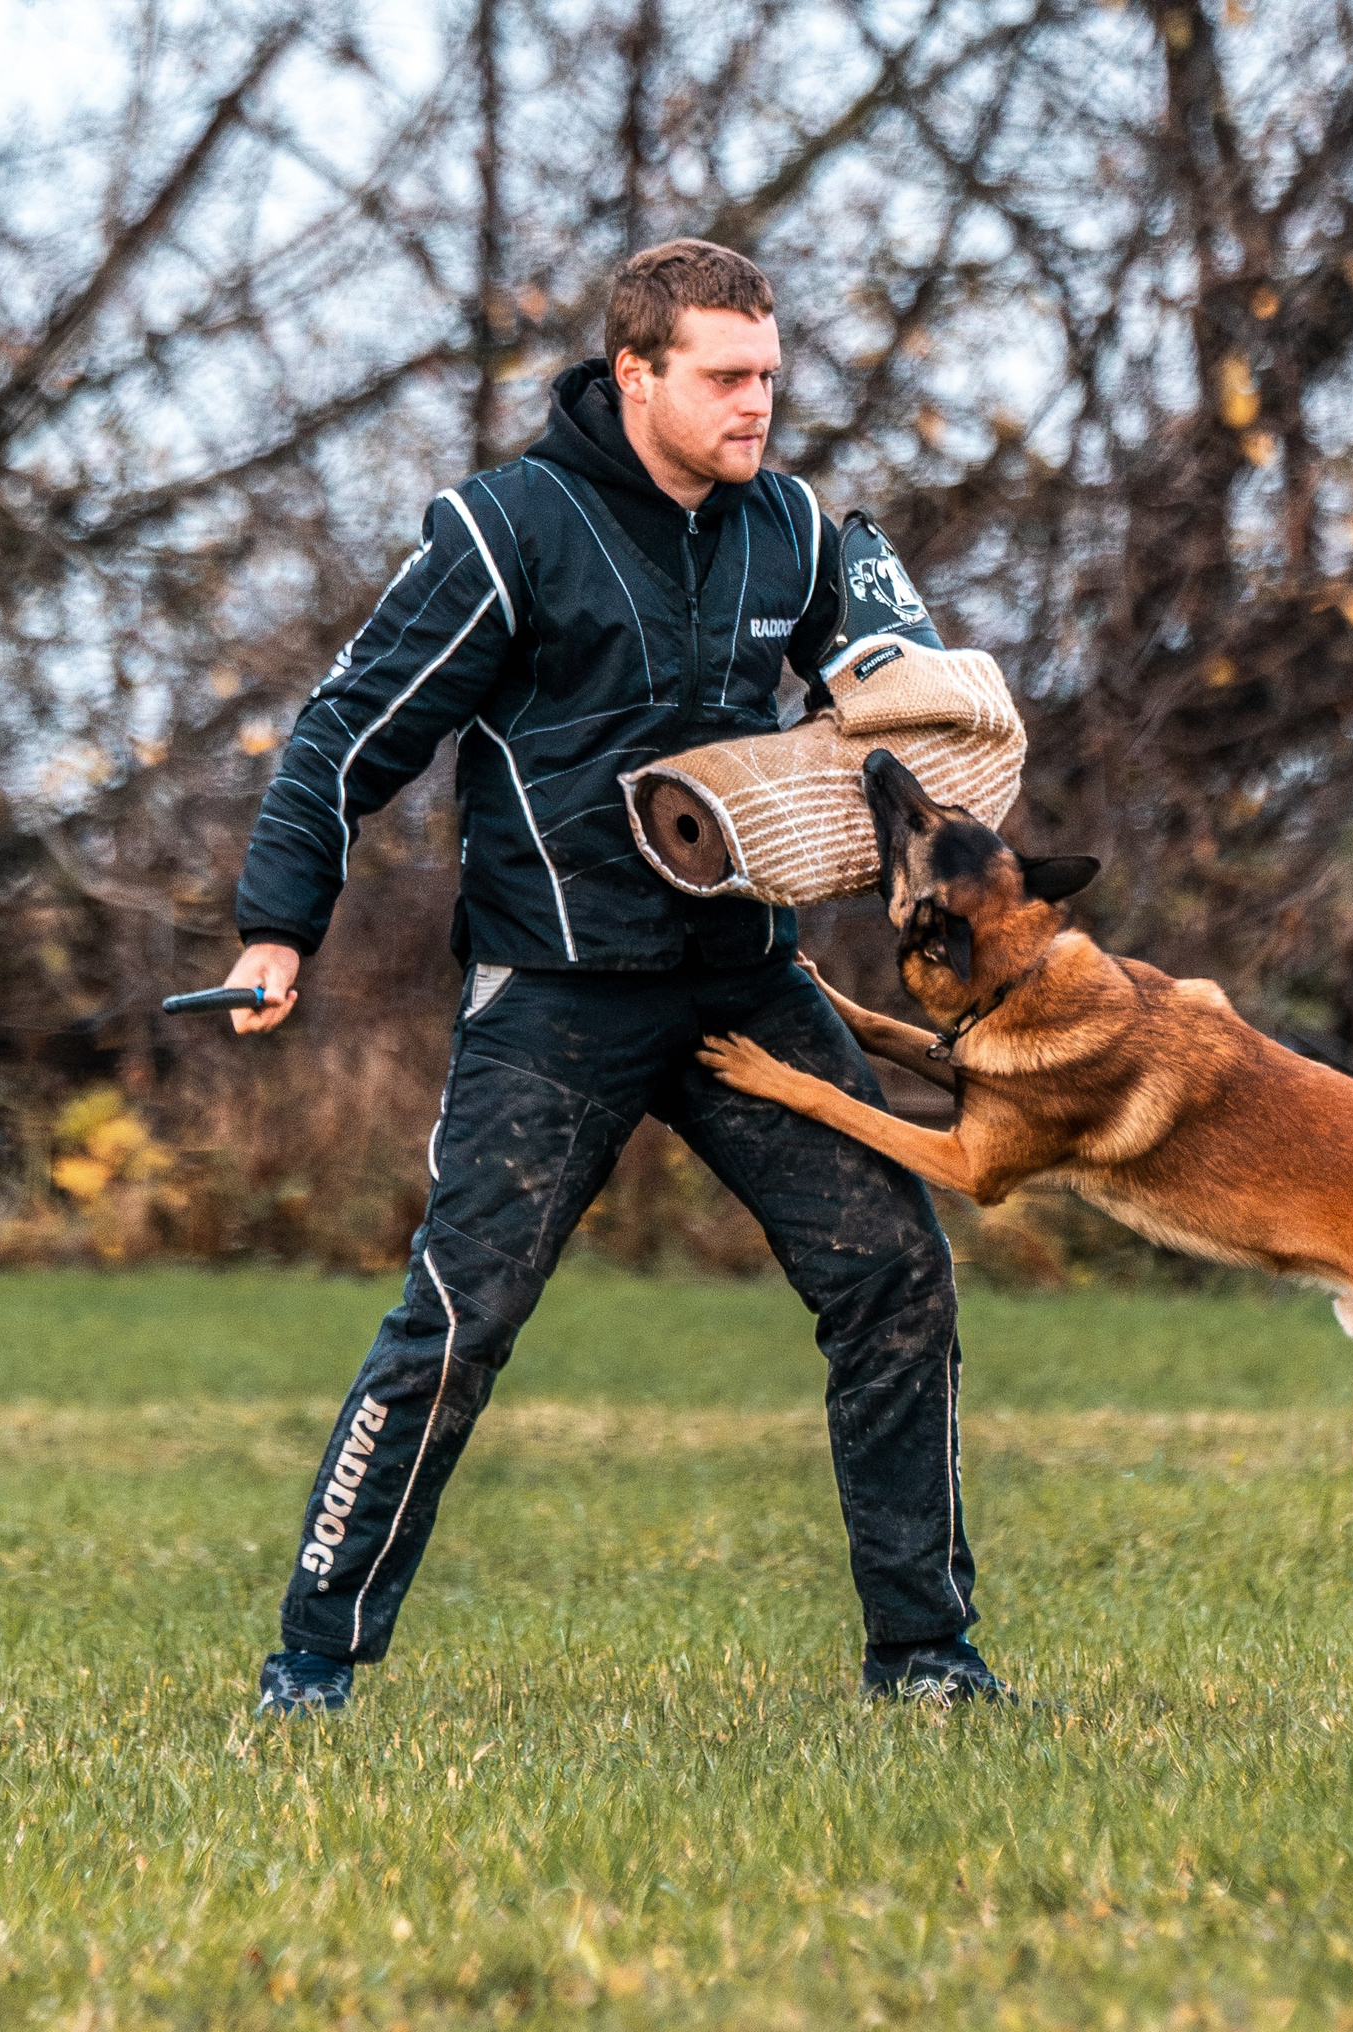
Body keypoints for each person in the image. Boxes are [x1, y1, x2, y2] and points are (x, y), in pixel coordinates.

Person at [225, 239, 1003, 1714]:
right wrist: (281, 930)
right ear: (636, 373)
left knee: (896, 1273)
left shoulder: (793, 530)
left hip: (745, 992)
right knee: (459, 1324)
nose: (756, 405)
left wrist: (948, 723)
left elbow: (897, 709)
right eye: (725, 377)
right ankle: (313, 1660)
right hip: (557, 994)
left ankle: (926, 1656)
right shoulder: (506, 530)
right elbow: (342, 735)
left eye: (770, 375)